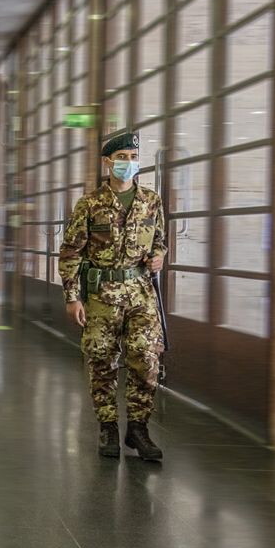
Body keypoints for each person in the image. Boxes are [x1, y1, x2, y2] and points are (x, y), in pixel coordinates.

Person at [58, 131, 166, 462]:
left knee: (145, 359)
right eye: (122, 158)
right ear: (107, 162)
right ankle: (107, 427)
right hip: (102, 295)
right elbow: (70, 252)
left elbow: (160, 241)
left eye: (133, 158)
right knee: (102, 361)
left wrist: (159, 256)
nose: (128, 163)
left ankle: (138, 428)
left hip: (141, 293)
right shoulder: (90, 204)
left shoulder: (151, 201)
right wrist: (72, 297)